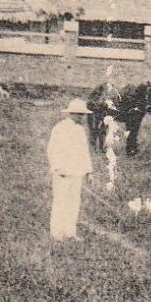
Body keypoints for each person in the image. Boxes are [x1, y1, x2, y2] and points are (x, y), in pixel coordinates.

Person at [48, 99, 93, 242]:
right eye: (80, 115)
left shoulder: (80, 131)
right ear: (71, 114)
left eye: (83, 115)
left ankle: (70, 233)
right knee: (61, 201)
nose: (82, 118)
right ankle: (56, 233)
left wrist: (88, 172)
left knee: (74, 203)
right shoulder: (60, 128)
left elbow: (84, 152)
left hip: (76, 173)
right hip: (62, 173)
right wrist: (57, 167)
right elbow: (52, 150)